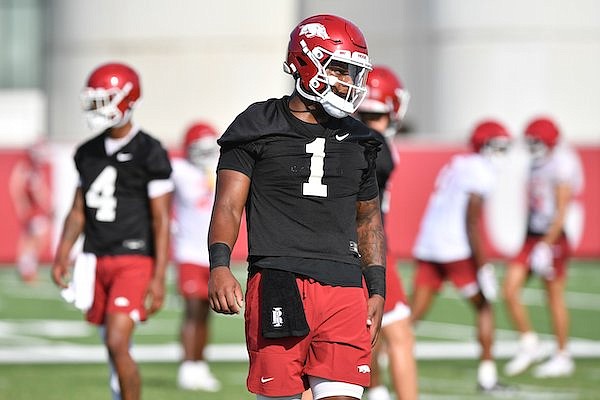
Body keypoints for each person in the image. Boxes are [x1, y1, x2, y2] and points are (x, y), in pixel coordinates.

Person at [207, 14, 386, 400]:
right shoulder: (258, 123)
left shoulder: (361, 139)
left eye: (353, 73)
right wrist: (220, 265)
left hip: (343, 285)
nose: (347, 82)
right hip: (278, 279)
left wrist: (376, 288)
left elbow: (368, 217)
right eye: (339, 69)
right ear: (307, 61)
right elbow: (227, 205)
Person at [51, 62, 173, 400]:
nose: (97, 108)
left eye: (103, 100)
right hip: (96, 256)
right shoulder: (86, 153)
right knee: (112, 343)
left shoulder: (149, 150)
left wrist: (160, 276)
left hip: (133, 257)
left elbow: (161, 219)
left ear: (126, 99)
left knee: (117, 340)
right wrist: (63, 254)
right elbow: (77, 211)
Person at [410, 120, 512, 393]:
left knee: (409, 318)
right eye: (498, 146)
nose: (502, 152)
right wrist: (484, 266)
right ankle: (487, 375)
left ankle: (372, 370)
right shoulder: (480, 169)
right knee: (485, 306)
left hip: (429, 242)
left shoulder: (459, 163)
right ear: (484, 145)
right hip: (455, 249)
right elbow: (471, 221)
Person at [503, 116, 584, 378]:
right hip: (532, 236)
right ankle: (529, 343)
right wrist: (530, 240)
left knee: (553, 296)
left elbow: (562, 210)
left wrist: (547, 244)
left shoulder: (561, 164)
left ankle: (562, 354)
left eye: (536, 140)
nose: (532, 145)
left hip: (553, 237)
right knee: (510, 289)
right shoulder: (535, 163)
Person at [356, 66, 418, 400]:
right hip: (371, 246)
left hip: (336, 250)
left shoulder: (342, 135)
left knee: (362, 333)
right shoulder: (376, 144)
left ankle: (376, 389)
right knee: (399, 336)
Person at [170, 122, 221, 391]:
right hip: (189, 251)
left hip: (213, 255)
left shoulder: (220, 169)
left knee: (205, 312)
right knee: (192, 311)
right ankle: (188, 366)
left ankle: (199, 364)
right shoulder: (179, 171)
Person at [9, 140, 53, 283]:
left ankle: (26, 267)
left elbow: (41, 192)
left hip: (35, 210)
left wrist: (47, 206)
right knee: (35, 239)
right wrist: (23, 207)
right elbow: (17, 187)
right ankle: (27, 269)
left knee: (34, 239)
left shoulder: (34, 170)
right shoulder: (25, 168)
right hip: (32, 211)